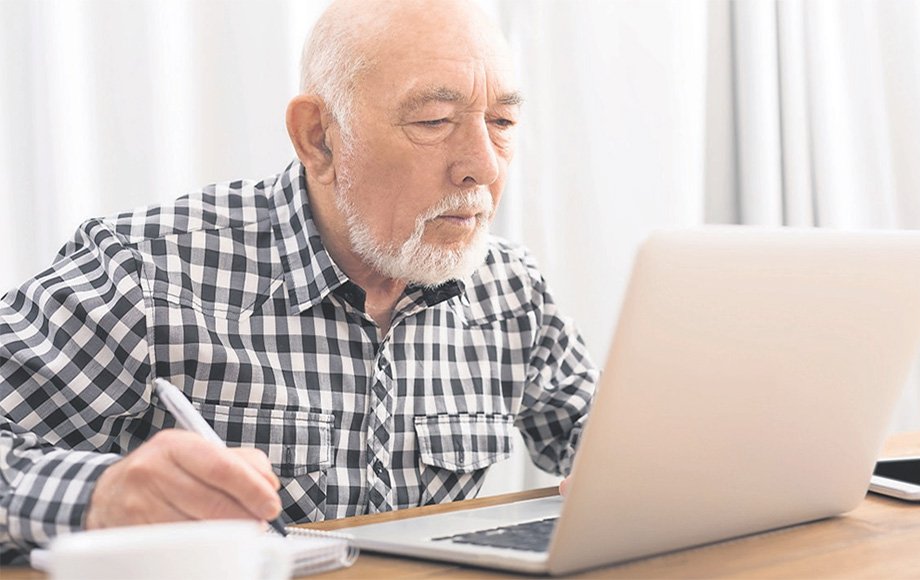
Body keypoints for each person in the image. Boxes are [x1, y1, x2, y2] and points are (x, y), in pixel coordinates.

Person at [0, 0, 597, 563]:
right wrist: (99, 495)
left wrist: (630, 469)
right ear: (319, 137)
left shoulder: (510, 290)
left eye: (502, 121)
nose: (483, 165)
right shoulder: (149, 270)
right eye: (434, 120)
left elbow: (603, 434)